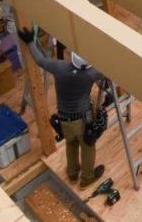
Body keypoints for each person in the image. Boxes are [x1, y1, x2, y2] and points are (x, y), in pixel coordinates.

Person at [19, 28, 106, 188]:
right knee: (87, 148)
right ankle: (86, 179)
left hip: (64, 120)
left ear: (72, 57)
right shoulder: (91, 74)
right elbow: (109, 71)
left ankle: (72, 174)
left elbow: (40, 60)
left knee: (70, 144)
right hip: (82, 122)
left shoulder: (59, 67)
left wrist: (30, 41)